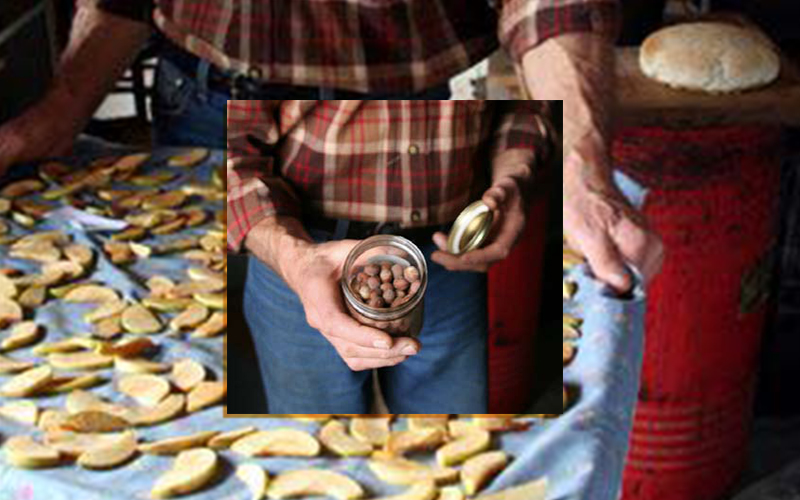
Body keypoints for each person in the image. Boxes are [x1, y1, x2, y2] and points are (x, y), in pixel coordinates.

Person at [227, 100, 547, 412]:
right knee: (315, 440)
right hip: (306, 260)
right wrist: (292, 254)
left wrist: (515, 174)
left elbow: (526, 102)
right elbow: (231, 138)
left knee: (449, 433)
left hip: (447, 258)